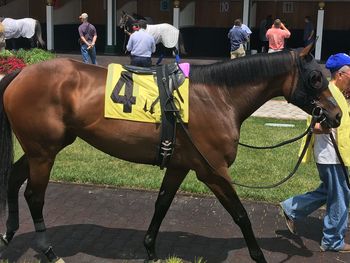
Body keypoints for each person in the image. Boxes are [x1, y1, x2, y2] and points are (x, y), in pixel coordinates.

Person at [280, 53, 350, 253]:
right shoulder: (327, 93)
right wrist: (326, 127)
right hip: (331, 156)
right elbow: (315, 126)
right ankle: (332, 241)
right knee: (340, 196)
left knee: (330, 191)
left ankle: (291, 208)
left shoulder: (339, 93)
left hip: (338, 155)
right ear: (341, 74)